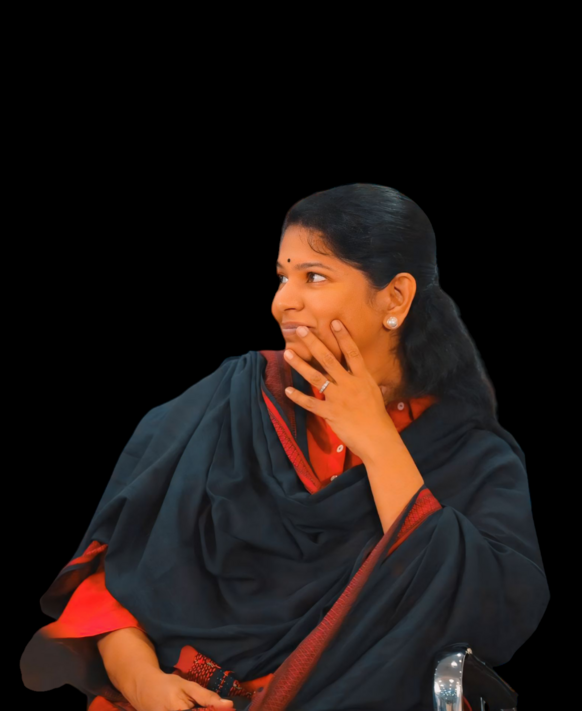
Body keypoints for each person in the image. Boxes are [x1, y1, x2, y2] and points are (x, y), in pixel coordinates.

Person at [20, 183, 550, 711]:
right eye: (281, 277)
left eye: (314, 277)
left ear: (395, 297)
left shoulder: (470, 456)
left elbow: (487, 612)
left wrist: (377, 441)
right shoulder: (232, 401)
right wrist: (139, 680)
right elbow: (115, 568)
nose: (281, 303)